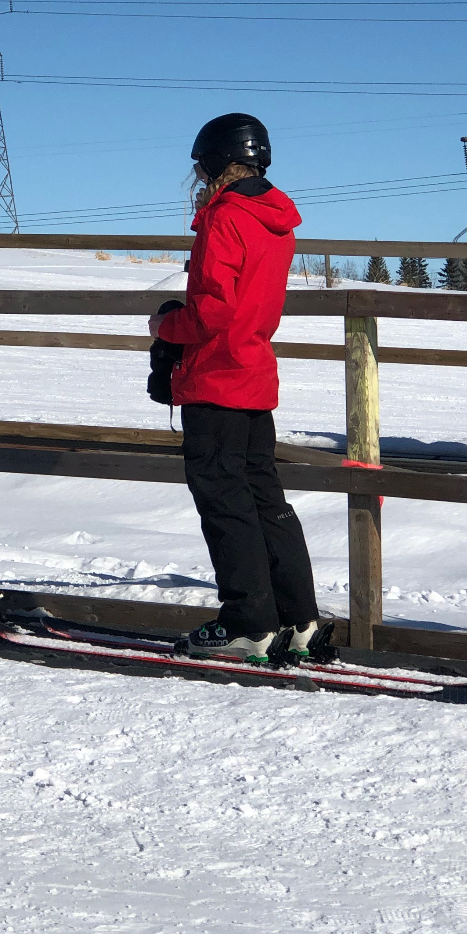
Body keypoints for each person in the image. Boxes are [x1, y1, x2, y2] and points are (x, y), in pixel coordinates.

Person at [148, 113, 322, 665]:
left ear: (218, 163)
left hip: (217, 375)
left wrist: (164, 327)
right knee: (264, 498)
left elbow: (212, 312)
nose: (197, 177)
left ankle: (248, 622)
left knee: (226, 505)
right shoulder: (276, 218)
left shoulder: (225, 217)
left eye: (201, 166)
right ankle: (297, 619)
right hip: (253, 371)